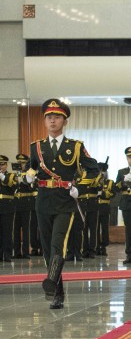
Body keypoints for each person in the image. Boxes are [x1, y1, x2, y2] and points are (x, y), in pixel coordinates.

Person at [27, 99, 99, 309]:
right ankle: (57, 292)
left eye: (57, 117)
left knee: (59, 243)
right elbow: (31, 170)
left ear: (64, 121)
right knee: (48, 249)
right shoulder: (36, 147)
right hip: (43, 201)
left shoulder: (75, 147)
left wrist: (81, 189)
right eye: (49, 117)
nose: (52, 120)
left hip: (65, 202)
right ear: (44, 121)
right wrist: (28, 177)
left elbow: (93, 170)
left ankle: (51, 282)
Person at [13, 154, 34, 259]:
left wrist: (25, 180)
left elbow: (33, 188)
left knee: (26, 230)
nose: (21, 165)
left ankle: (26, 252)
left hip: (26, 204)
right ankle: (16, 252)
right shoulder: (15, 174)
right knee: (16, 229)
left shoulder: (30, 174)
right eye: (19, 163)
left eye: (23, 163)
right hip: (16, 204)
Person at [0, 155, 18, 262]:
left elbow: (13, 185)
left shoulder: (12, 175)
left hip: (7, 207)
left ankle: (7, 254)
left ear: (6, 165)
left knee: (7, 231)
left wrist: (2, 177)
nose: (0, 166)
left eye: (2, 164)